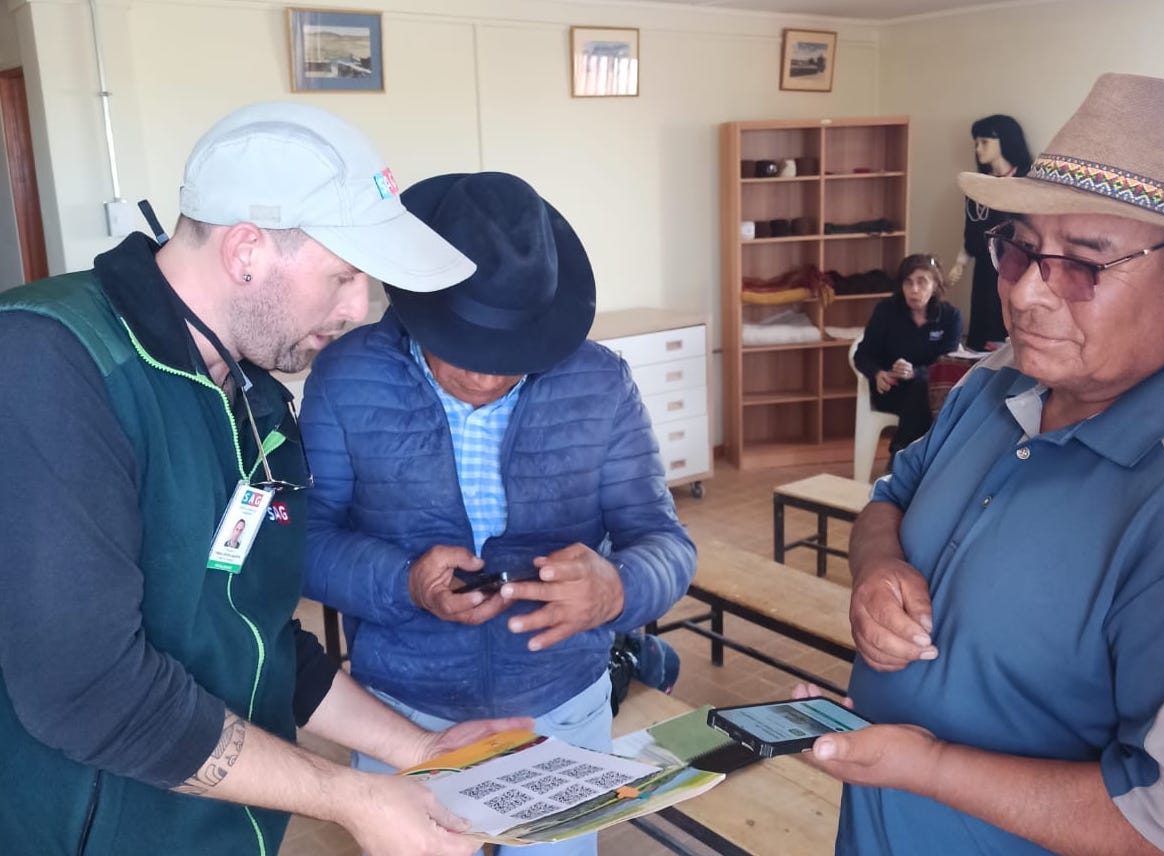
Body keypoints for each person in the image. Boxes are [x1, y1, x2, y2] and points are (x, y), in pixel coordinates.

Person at [0, 102, 534, 856]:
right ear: (246, 250)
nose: (359, 309)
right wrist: (346, 796)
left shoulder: (254, 400)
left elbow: (255, 636)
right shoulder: (47, 362)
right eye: (344, 276)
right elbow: (88, 692)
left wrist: (418, 749)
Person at [795, 73, 1164, 856]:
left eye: (1084, 262)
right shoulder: (995, 381)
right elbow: (891, 496)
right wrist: (876, 570)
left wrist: (927, 768)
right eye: (1019, 251)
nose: (1028, 295)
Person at [301, 171, 697, 856]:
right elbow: (303, 542)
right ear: (422, 305)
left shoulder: (600, 382)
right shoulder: (345, 376)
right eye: (464, 347)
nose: (485, 377)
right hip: (398, 713)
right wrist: (404, 582)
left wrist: (616, 590)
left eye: (511, 354)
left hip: (561, 711)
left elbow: (665, 541)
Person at [852, 254, 962, 466]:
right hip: (891, 389)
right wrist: (877, 373)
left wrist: (915, 372)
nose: (914, 290)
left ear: (935, 285)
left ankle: (901, 455)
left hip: (934, 390)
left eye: (922, 282)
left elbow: (948, 364)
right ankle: (907, 461)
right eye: (908, 282)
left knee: (922, 387)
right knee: (920, 394)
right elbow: (862, 355)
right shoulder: (886, 311)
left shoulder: (950, 317)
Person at [947, 114, 1033, 351]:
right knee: (982, 324)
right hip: (984, 267)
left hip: (1014, 267)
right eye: (976, 143)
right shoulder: (977, 186)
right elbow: (972, 227)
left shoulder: (1026, 183)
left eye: (984, 142)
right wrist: (960, 263)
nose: (978, 149)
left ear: (1005, 140)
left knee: (1007, 322)